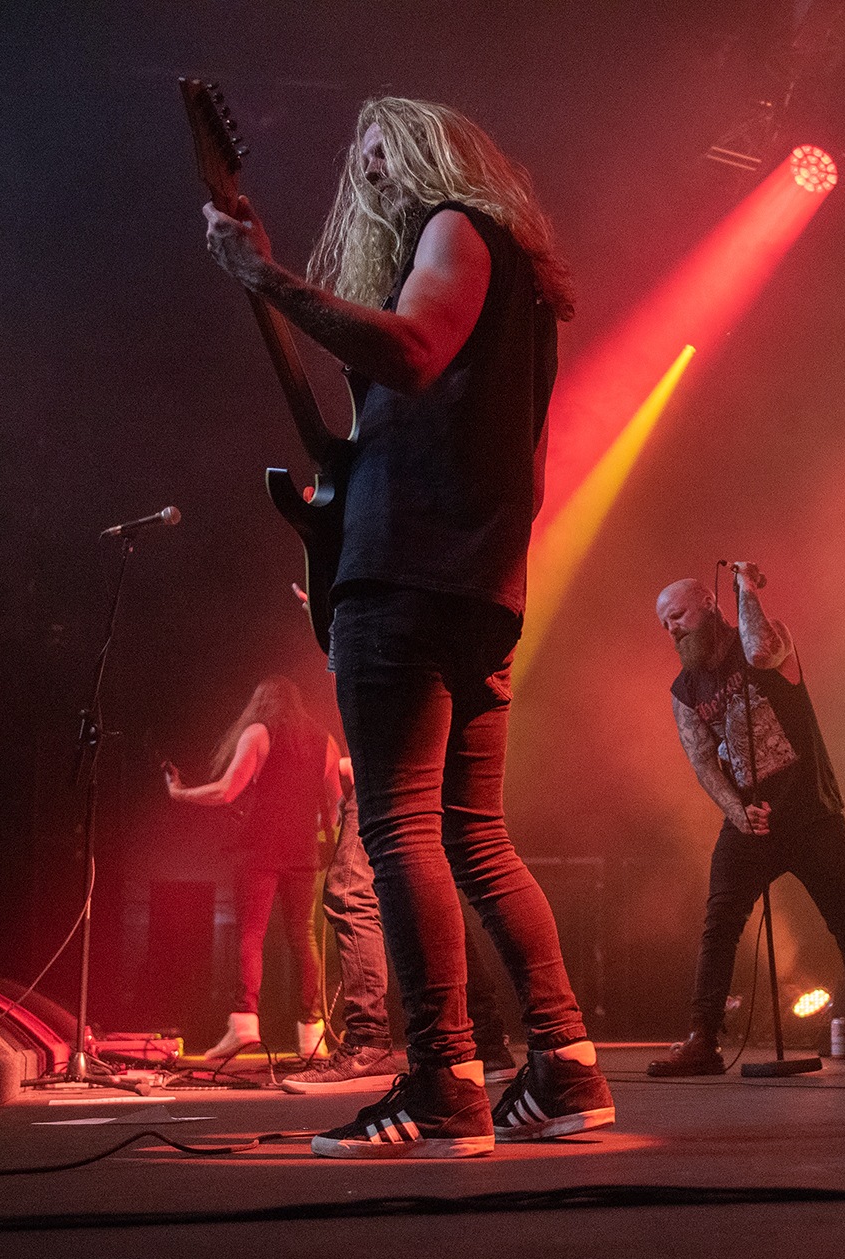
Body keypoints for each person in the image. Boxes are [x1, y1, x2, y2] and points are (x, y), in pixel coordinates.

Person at [202, 95, 611, 1157]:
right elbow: (474, 444)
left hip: (411, 576)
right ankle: (565, 1071)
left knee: (399, 830)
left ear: (436, 152)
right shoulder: (518, 283)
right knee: (476, 836)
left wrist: (269, 278)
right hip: (473, 580)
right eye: (362, 154)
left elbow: (417, 351)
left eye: (385, 147)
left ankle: (442, 1083)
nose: (368, 169)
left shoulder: (455, 229)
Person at [650, 564, 845, 1075]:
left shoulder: (773, 637)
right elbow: (702, 762)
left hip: (811, 812)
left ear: (710, 604)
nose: (671, 629)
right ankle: (703, 1039)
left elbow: (760, 653)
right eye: (664, 624)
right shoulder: (685, 689)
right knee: (720, 924)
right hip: (751, 821)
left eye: (677, 616)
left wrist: (746, 589)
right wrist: (737, 812)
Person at [283, 741, 521, 1093]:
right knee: (427, 893)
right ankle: (484, 1040)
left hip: (390, 768)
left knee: (349, 891)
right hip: (432, 766)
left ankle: (368, 1044)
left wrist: (362, 762)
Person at [164, 677, 337, 1062]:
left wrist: (179, 793)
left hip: (260, 847)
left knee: (251, 933)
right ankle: (312, 1035)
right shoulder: (324, 740)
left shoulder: (259, 732)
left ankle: (244, 1023)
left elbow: (227, 791)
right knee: (303, 936)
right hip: (303, 850)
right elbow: (337, 804)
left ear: (261, 703)